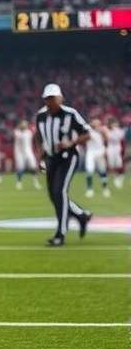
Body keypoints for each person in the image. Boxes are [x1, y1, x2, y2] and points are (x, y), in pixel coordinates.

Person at [34, 83, 92, 247]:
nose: (50, 101)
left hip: (68, 157)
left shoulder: (70, 113)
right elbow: (38, 135)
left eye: (53, 98)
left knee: (59, 192)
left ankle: (61, 233)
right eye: (47, 98)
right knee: (54, 195)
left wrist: (71, 142)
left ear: (60, 98)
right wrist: (40, 156)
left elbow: (87, 134)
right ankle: (81, 216)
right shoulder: (41, 116)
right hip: (51, 158)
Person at [84, 118, 110, 198]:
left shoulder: (102, 129)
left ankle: (105, 188)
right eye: (95, 123)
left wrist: (103, 132)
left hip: (100, 151)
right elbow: (83, 136)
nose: (96, 124)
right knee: (89, 170)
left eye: (98, 123)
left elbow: (107, 138)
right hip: (90, 152)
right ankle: (89, 189)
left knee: (102, 170)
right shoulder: (87, 129)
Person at [12, 120, 41, 190]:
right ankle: (19, 182)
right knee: (20, 167)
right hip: (19, 152)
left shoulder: (29, 132)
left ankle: (36, 182)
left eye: (25, 124)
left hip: (28, 152)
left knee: (33, 167)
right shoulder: (17, 132)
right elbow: (16, 135)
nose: (24, 125)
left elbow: (35, 134)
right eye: (23, 124)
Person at [105, 117, 126, 189]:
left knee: (119, 165)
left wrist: (115, 132)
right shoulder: (107, 130)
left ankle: (119, 178)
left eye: (115, 123)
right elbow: (109, 138)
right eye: (113, 123)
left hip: (117, 149)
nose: (115, 125)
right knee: (111, 165)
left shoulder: (120, 130)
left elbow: (119, 137)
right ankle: (115, 178)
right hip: (110, 149)